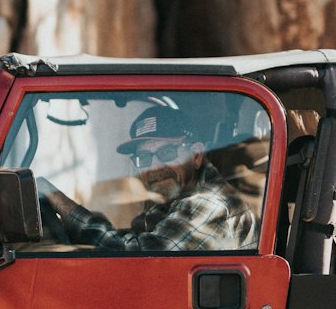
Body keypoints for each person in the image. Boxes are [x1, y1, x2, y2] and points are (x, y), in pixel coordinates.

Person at [36, 106, 259, 254]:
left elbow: (137, 258)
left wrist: (57, 201)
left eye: (167, 153)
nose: (155, 167)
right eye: (144, 157)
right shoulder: (173, 203)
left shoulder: (208, 203)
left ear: (197, 154)